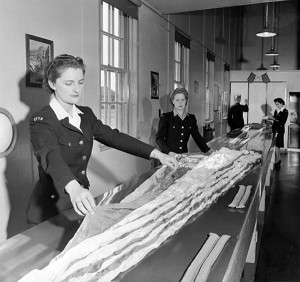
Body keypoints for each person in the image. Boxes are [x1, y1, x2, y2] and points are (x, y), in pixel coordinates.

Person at [27, 54, 178, 224]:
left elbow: (114, 137)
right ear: (52, 83)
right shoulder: (42, 119)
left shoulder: (85, 115)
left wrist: (158, 154)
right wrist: (74, 188)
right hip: (52, 207)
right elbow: (50, 155)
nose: (76, 89)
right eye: (69, 83)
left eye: (80, 82)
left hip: (82, 200)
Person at [156, 87, 211, 156]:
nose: (180, 103)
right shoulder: (166, 117)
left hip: (183, 156)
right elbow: (159, 139)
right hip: (168, 156)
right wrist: (168, 152)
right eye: (177, 100)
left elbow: (197, 137)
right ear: (173, 101)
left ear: (186, 101)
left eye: (183, 100)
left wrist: (208, 151)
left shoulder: (191, 118)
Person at [268, 97, 288, 168]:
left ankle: (277, 161)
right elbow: (275, 121)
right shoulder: (276, 111)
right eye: (276, 104)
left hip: (280, 130)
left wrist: (273, 118)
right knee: (277, 146)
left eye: (277, 104)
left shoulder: (285, 111)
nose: (277, 106)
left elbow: (282, 122)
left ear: (282, 104)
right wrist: (271, 121)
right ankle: (278, 160)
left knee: (277, 146)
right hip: (275, 130)